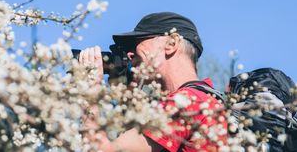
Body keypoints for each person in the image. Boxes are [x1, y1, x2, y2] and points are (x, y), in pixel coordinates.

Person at [79, 12, 227, 152]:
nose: (130, 54)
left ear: (171, 43)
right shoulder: (205, 101)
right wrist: (130, 94)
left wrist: (90, 93)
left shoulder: (185, 103)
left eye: (137, 42)